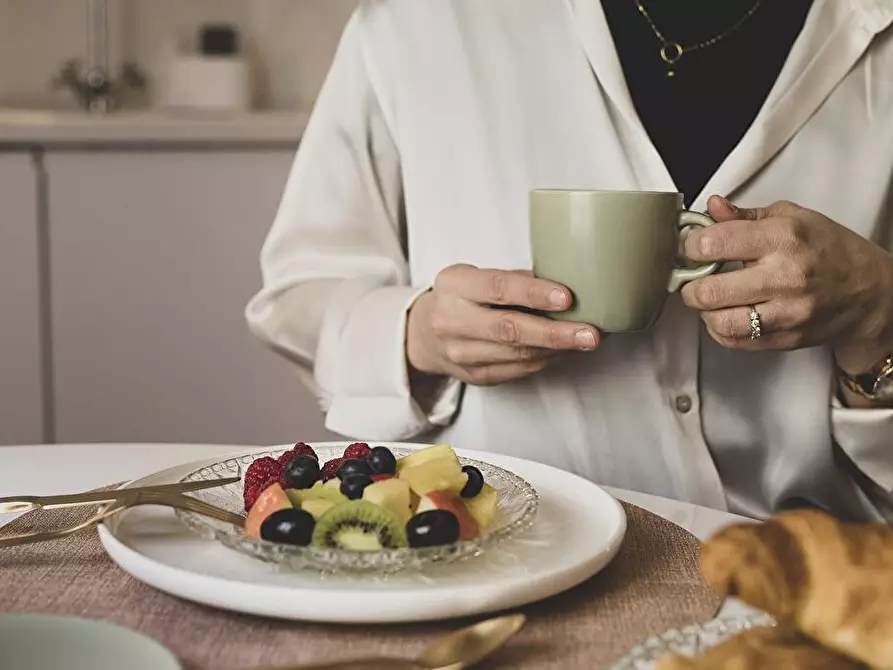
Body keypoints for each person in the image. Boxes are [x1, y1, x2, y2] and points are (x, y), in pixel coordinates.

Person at [246, 0, 893, 520]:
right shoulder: (415, 24)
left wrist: (879, 309)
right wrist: (416, 334)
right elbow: (299, 293)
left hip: (817, 567)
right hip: (497, 548)